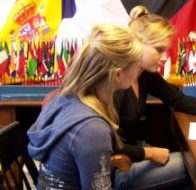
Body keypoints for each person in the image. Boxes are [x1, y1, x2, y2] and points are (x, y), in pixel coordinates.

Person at [113, 5, 196, 190]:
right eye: (159, 50)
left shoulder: (144, 74)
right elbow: (105, 147)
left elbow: (177, 100)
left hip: (136, 151)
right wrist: (149, 153)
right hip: (120, 169)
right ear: (136, 44)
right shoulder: (116, 84)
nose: (166, 57)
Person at [27, 24, 143, 190]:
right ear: (117, 74)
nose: (138, 72)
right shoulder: (92, 130)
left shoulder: (63, 99)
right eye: (137, 67)